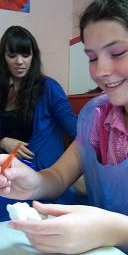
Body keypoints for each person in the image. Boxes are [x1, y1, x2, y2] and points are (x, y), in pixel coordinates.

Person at [0, 0, 128, 254]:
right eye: (92, 57)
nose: (101, 71)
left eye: (117, 53)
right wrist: (32, 182)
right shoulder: (96, 116)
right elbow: (59, 175)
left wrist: (112, 230)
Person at [0, 26, 83, 221]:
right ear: (3, 58)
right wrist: (3, 141)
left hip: (37, 170)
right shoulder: (2, 91)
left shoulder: (48, 87)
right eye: (12, 55)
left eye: (25, 54)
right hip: (6, 168)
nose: (19, 62)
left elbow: (75, 129)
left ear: (33, 57)